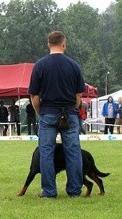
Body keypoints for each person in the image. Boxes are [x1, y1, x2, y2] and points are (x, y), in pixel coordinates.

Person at [28, 31, 85, 198]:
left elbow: (34, 96)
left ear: (48, 44)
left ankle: (49, 191)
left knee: (46, 152)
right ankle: (74, 191)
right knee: (73, 151)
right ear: (64, 44)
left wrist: (40, 112)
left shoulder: (39, 65)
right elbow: (79, 96)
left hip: (48, 113)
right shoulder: (73, 65)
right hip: (70, 113)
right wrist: (72, 109)